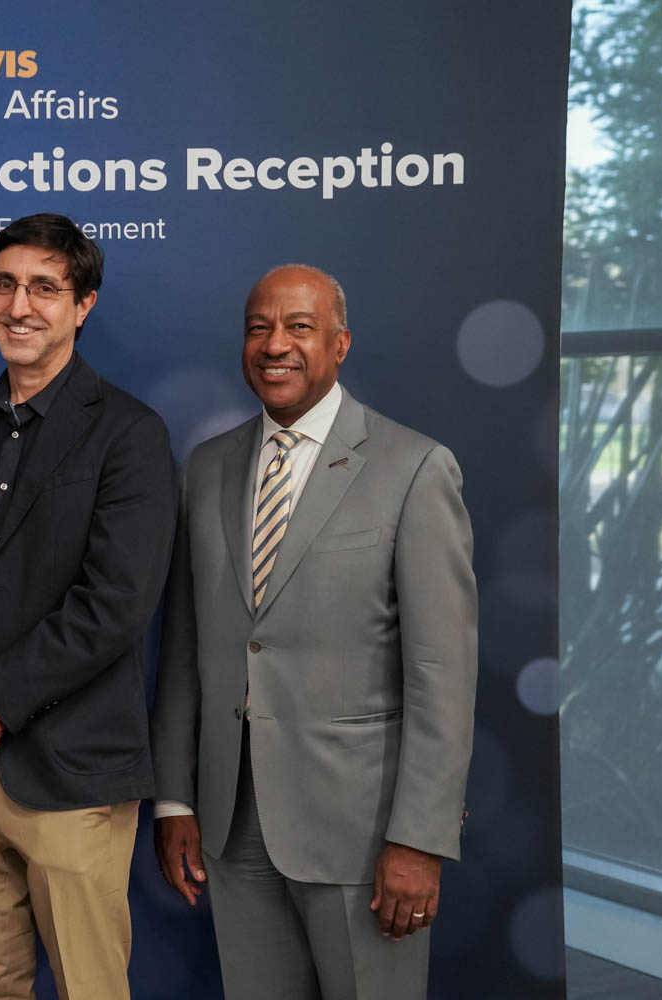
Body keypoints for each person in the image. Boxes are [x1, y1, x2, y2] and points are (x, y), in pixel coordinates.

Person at [149, 264, 478, 999]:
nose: (275, 345)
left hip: (363, 835)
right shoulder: (206, 468)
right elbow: (182, 650)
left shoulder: (414, 468)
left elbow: (443, 675)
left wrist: (419, 839)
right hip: (233, 827)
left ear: (340, 343)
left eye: (299, 327)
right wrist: (176, 799)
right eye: (259, 327)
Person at [0, 213, 176, 999]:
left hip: (72, 776)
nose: (20, 305)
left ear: (83, 305)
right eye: (6, 285)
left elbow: (114, 604)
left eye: (45, 288)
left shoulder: (130, 435)